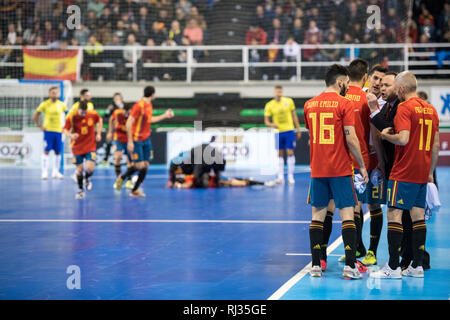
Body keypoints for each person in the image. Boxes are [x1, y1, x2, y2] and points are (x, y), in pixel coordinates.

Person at [370, 71, 439, 279]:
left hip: (403, 170)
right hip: (421, 171)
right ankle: (416, 266)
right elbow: (435, 145)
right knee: (418, 216)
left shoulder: (405, 108)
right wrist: (429, 172)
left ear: (400, 89)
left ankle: (392, 267)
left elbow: (403, 139)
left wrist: (385, 135)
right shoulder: (431, 109)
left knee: (394, 213)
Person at [304, 64, 368, 279]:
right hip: (340, 168)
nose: (348, 87)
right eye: (347, 84)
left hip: (318, 169)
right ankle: (350, 266)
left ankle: (315, 265)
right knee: (347, 214)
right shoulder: (344, 103)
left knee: (317, 216)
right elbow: (351, 138)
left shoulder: (309, 105)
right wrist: (361, 165)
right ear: (340, 82)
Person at [114, 86, 174, 197]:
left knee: (145, 165)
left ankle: (134, 190)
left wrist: (165, 115)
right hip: (137, 140)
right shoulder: (138, 106)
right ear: (153, 95)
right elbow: (128, 123)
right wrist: (130, 142)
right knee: (139, 166)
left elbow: (150, 120)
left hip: (146, 139)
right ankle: (122, 178)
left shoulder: (149, 106)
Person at [63, 101, 103, 199]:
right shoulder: (71, 115)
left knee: (90, 169)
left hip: (90, 145)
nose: (83, 114)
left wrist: (98, 133)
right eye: (82, 112)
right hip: (77, 147)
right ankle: (80, 190)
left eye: (85, 112)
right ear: (78, 109)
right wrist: (71, 135)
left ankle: (87, 179)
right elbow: (65, 129)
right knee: (79, 170)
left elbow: (100, 119)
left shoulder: (92, 114)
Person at [264, 85, 301, 184]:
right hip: (278, 132)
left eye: (280, 91)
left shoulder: (289, 101)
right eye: (277, 91)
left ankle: (290, 176)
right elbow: (266, 121)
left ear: (282, 92)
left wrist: (298, 129)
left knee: (290, 153)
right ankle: (280, 177)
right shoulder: (269, 105)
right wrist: (272, 124)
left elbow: (294, 116)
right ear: (274, 92)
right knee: (279, 154)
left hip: (289, 130)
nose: (278, 93)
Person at [33, 86, 67, 180]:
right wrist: (39, 125)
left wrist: (65, 128)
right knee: (46, 150)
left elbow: (67, 115)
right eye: (52, 92)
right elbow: (36, 114)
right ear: (49, 94)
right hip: (48, 131)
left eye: (56, 92)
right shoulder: (45, 104)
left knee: (57, 151)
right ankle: (44, 172)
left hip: (58, 131)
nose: (54, 94)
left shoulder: (61, 104)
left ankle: (56, 172)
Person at [107, 102, 137, 190]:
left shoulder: (133, 115)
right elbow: (111, 120)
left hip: (129, 139)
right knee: (117, 157)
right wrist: (110, 132)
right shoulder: (117, 113)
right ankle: (118, 179)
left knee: (130, 160)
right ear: (123, 110)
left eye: (128, 112)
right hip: (118, 138)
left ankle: (129, 180)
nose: (127, 114)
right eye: (125, 112)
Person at [102, 93, 124, 165]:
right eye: (115, 99)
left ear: (121, 99)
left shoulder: (124, 107)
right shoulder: (112, 107)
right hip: (112, 129)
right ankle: (106, 159)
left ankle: (124, 159)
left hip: (122, 129)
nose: (117, 100)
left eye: (118, 98)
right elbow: (106, 116)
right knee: (108, 143)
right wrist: (108, 110)